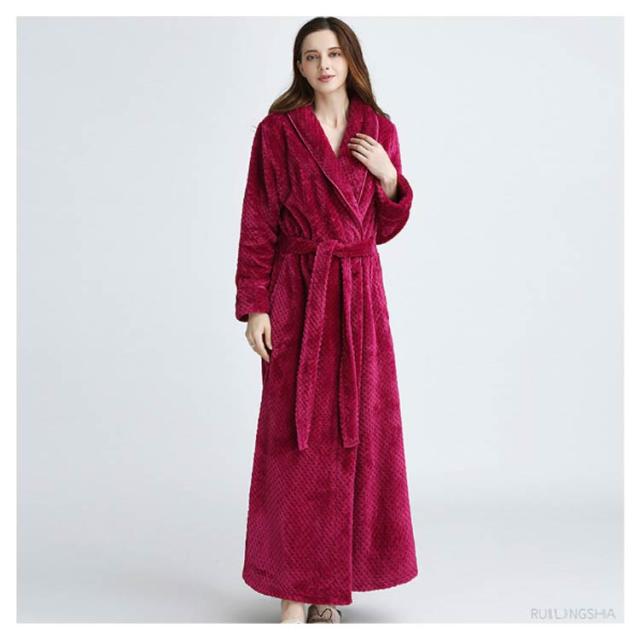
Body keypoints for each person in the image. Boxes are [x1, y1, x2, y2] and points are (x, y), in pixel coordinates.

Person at [234, 16, 418, 624]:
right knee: (296, 442)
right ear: (300, 66)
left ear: (350, 59)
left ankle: (328, 591)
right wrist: (256, 305)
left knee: (356, 439)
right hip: (298, 296)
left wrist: (390, 178)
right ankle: (296, 593)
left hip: (360, 301)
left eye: (333, 53)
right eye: (311, 56)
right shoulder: (277, 132)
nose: (324, 65)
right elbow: (258, 221)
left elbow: (382, 229)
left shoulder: (378, 130)